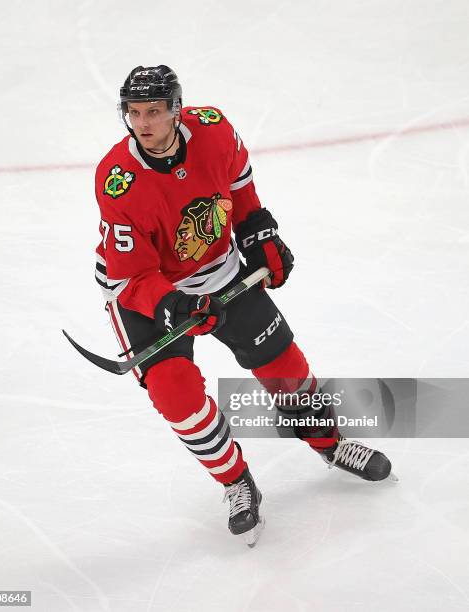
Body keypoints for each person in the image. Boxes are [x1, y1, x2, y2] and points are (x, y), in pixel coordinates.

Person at [93, 65, 393, 546]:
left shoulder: (213, 129)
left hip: (219, 267)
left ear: (176, 110)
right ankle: (236, 481)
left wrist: (258, 231)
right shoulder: (119, 179)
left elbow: (239, 189)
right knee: (178, 398)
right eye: (133, 113)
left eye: (153, 111)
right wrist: (171, 305)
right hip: (146, 292)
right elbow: (132, 275)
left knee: (285, 365)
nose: (142, 123)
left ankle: (331, 446)